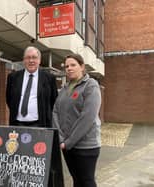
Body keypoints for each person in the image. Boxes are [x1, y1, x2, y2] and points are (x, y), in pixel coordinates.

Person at [52, 54, 101, 187]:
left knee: (87, 182)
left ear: (82, 67)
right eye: (67, 66)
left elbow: (87, 117)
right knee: (76, 181)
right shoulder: (65, 88)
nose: (69, 68)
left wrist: (68, 142)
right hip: (67, 146)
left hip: (86, 146)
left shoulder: (91, 85)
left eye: (73, 65)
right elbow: (55, 111)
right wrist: (60, 138)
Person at [6, 46, 58, 127]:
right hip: (17, 123)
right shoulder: (13, 77)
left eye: (34, 57)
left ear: (39, 60)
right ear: (24, 60)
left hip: (40, 123)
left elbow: (53, 101)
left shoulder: (49, 78)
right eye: (28, 57)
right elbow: (9, 99)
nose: (31, 60)